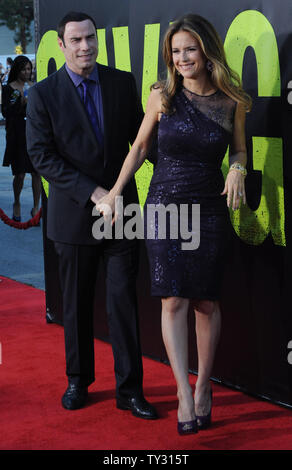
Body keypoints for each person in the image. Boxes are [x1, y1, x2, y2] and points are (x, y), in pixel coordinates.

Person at [96, 13, 251, 434]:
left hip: (209, 208)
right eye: (176, 51)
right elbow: (141, 147)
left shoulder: (230, 100)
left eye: (190, 49)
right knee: (172, 301)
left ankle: (204, 387)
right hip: (165, 204)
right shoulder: (162, 95)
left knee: (205, 302)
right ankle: (183, 390)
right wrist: (113, 193)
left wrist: (238, 168)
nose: (182, 58)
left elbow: (239, 151)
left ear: (207, 51)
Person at [26, 11, 158, 420]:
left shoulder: (122, 82)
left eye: (90, 39)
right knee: (77, 304)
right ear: (61, 46)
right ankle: (78, 381)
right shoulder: (43, 94)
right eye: (76, 41)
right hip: (74, 215)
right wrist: (94, 192)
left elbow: (138, 141)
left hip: (122, 213)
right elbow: (41, 155)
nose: (85, 47)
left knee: (123, 302)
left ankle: (130, 390)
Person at [2, 55, 41, 221]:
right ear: (17, 70)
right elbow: (6, 111)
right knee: (19, 174)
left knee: (36, 173)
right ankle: (16, 202)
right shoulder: (9, 88)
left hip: (34, 134)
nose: (26, 72)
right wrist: (21, 102)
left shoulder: (35, 87)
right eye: (23, 69)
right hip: (17, 135)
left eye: (28, 69)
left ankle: (35, 207)